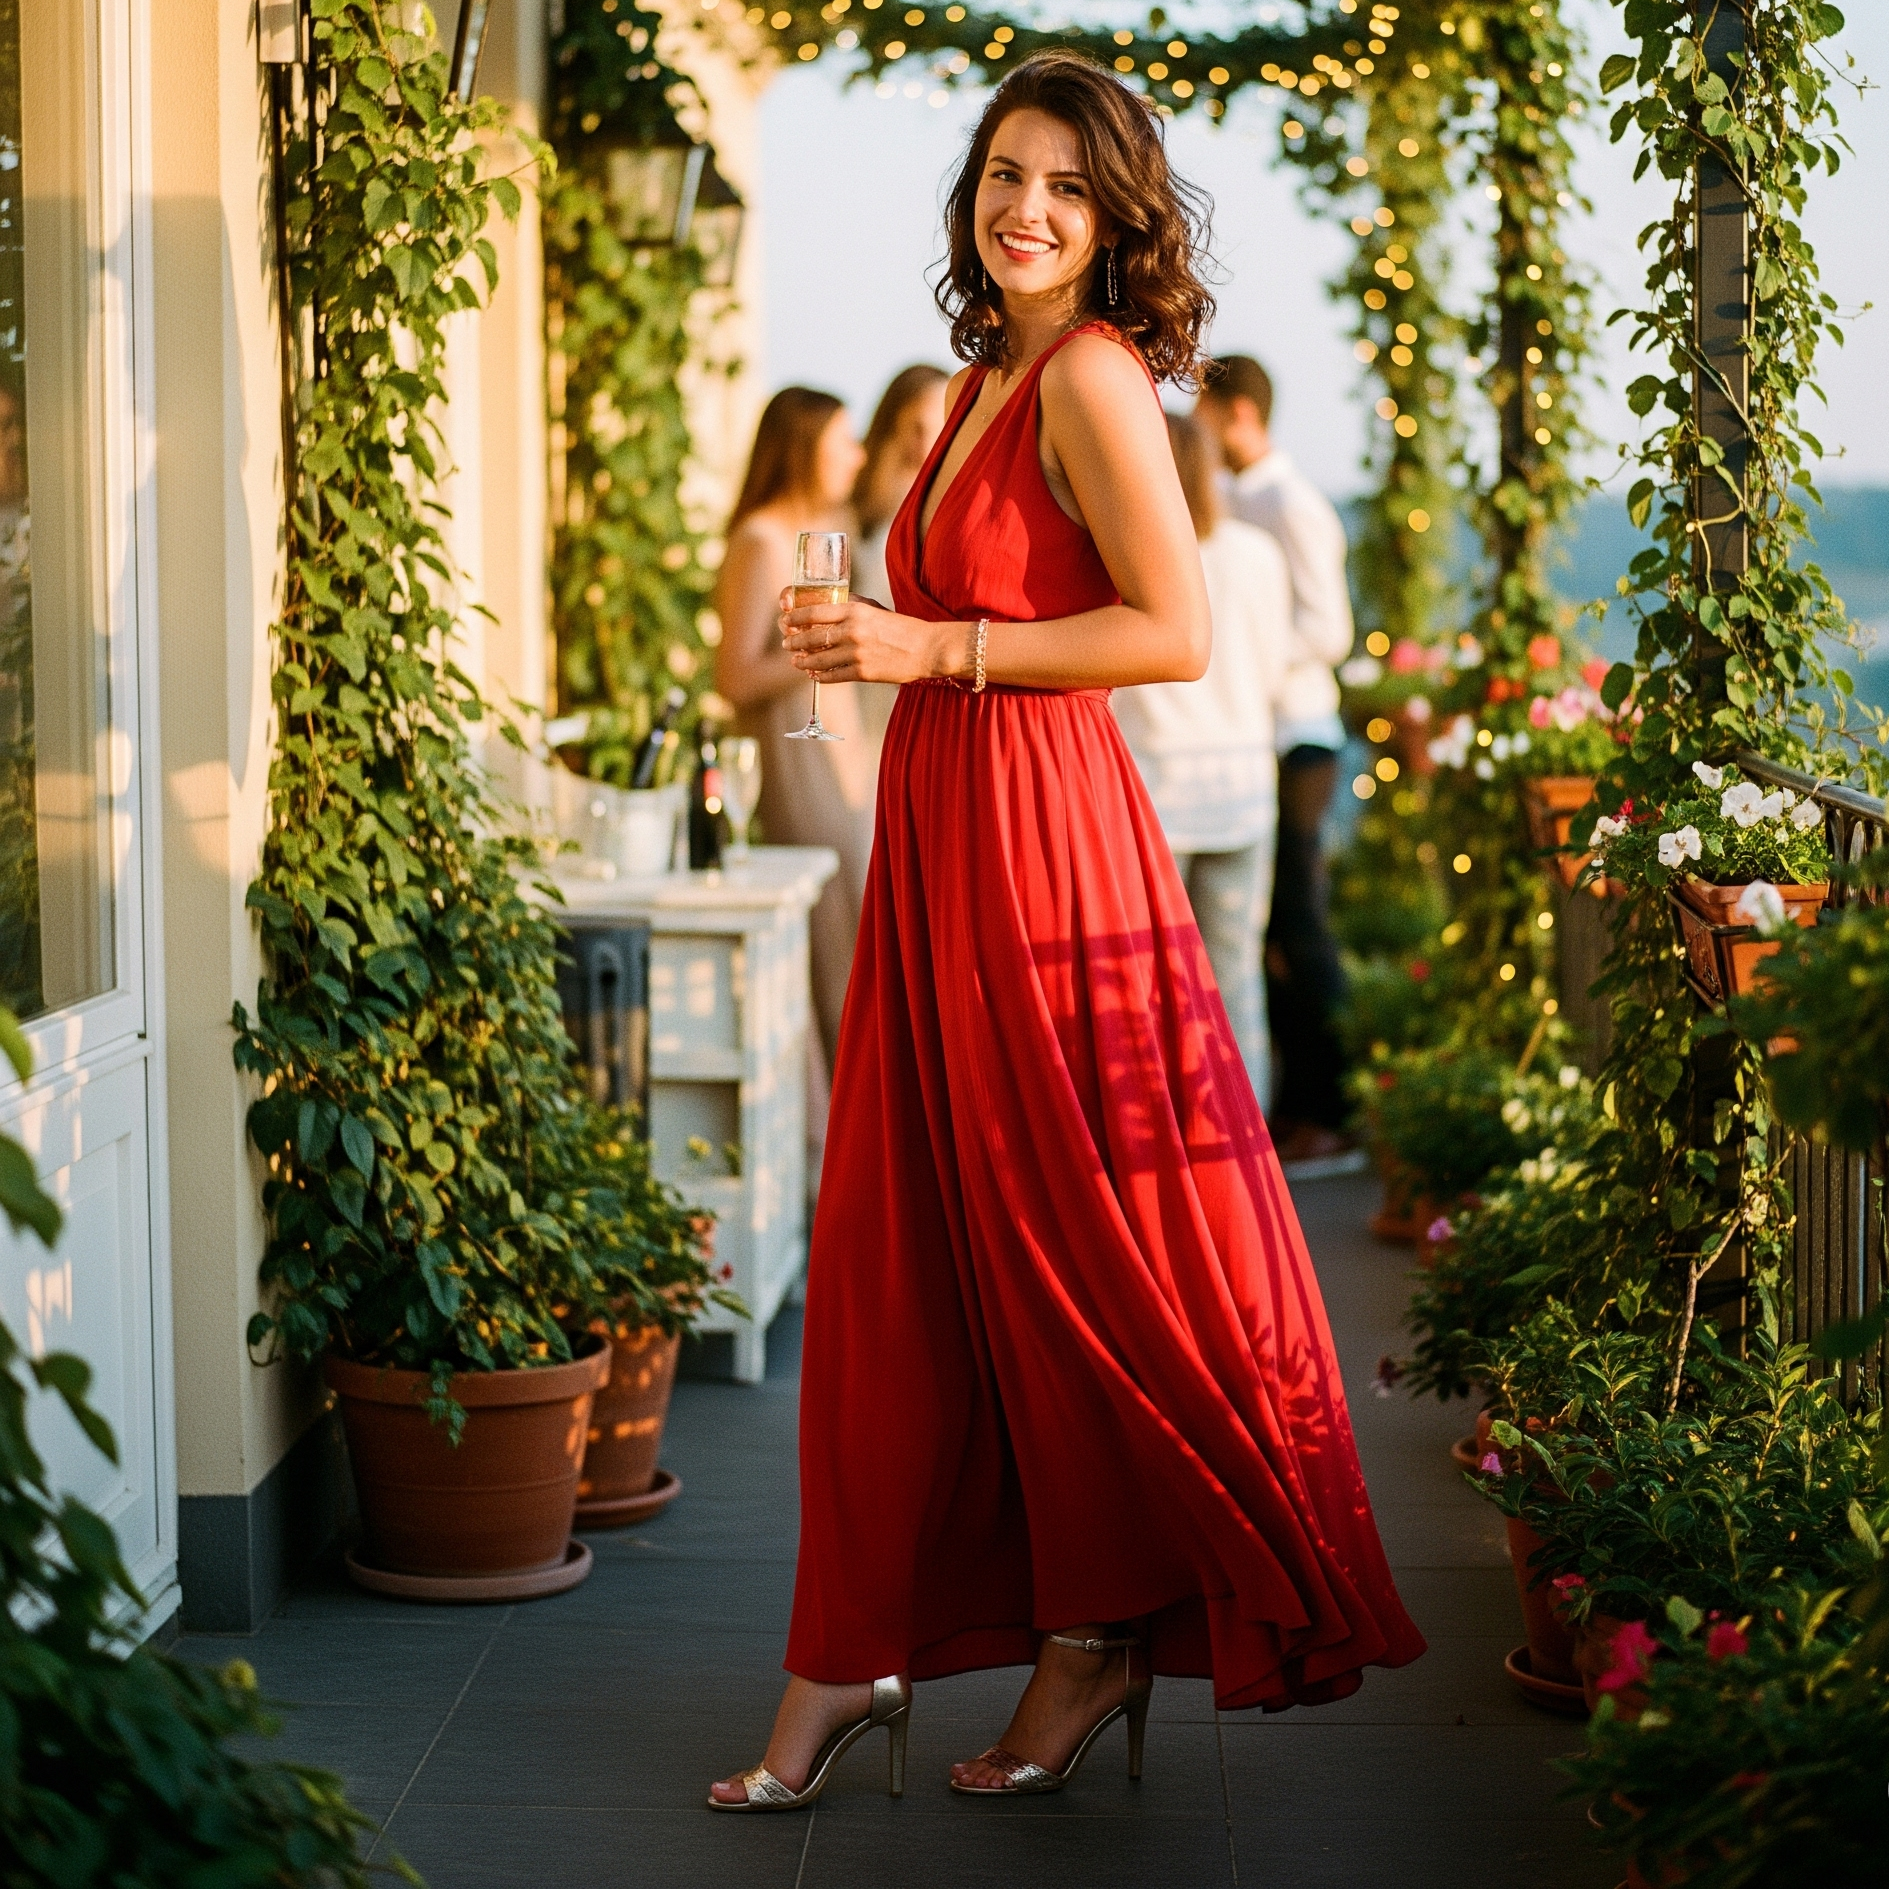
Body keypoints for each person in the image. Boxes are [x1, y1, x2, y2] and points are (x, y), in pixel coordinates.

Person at [709, 50, 1422, 1817]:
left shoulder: (1093, 374)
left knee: (1063, 1244)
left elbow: (1169, 626)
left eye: (1062, 185)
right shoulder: (976, 377)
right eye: (998, 174)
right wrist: (869, 638)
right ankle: (847, 1646)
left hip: (1040, 840)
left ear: (1113, 222)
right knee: (907, 1244)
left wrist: (924, 648)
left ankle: (1091, 1630)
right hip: (944, 826)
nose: (1020, 206)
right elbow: (969, 601)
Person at [1195, 355, 1357, 1169]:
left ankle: (1333, 1109)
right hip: (1255, 733)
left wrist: (1240, 656)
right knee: (1264, 936)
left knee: (1299, 925)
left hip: (1297, 736)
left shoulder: (1292, 505)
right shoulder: (1232, 499)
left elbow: (1329, 629)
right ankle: (1291, 1103)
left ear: (1237, 413)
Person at [1111, 411, 1293, 1111]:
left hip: (1158, 792)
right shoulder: (1256, 555)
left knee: (1145, 986)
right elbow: (1275, 671)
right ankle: (1243, 1139)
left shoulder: (1129, 562)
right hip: (1245, 787)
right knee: (1235, 977)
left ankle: (1162, 1136)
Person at [713, 387, 874, 1076]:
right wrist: (814, 643)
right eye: (841, 442)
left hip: (842, 766)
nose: (856, 455)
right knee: (835, 963)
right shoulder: (761, 542)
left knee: (854, 957)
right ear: (803, 450)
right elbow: (735, 678)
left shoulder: (824, 532)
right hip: (795, 771)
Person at [848, 364, 950, 746]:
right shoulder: (861, 506)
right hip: (863, 690)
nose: (929, 441)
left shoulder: (954, 507)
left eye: (941, 424)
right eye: (917, 427)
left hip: (924, 682)